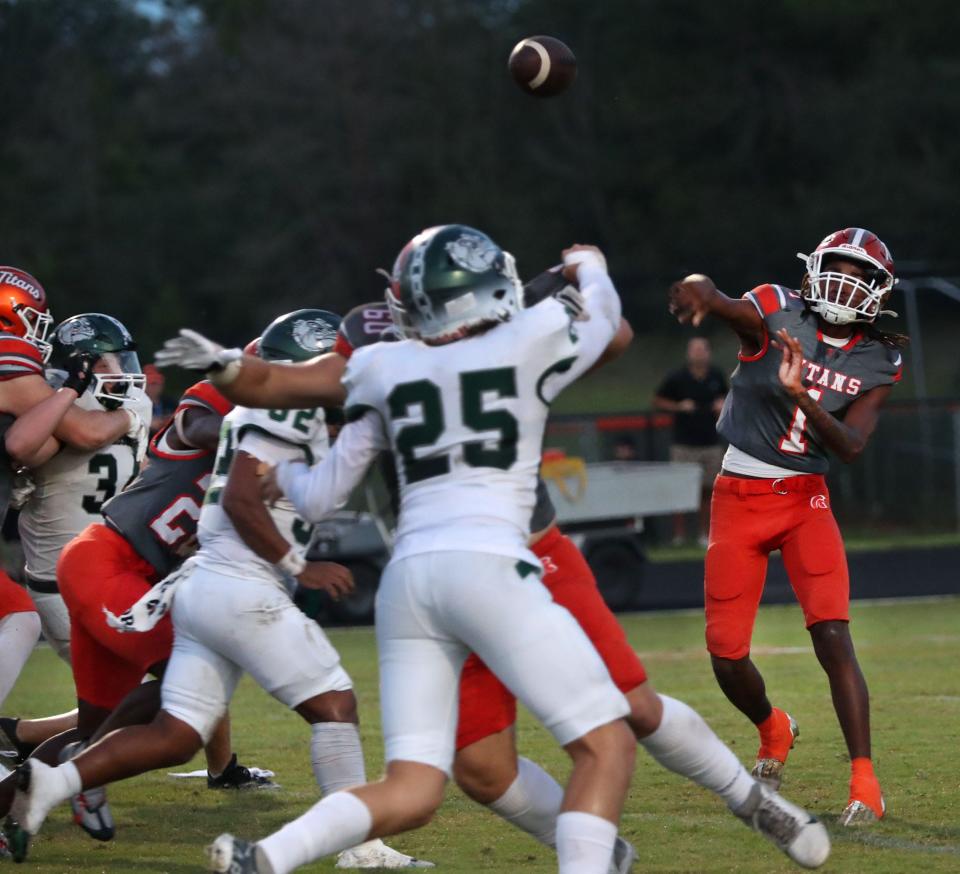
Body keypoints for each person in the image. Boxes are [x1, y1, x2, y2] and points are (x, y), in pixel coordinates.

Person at [332, 294, 830, 872]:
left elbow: (613, 334)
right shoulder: (376, 369)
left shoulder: (488, 351)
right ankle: (602, 853)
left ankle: (752, 802)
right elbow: (288, 389)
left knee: (630, 709)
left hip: (529, 556)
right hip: (443, 582)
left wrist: (554, 302)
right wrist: (239, 377)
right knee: (481, 767)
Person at [4, 310, 433, 870]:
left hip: (155, 575)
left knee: (159, 732)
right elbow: (208, 432)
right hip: (122, 564)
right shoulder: (241, 413)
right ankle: (359, 845)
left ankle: (45, 783)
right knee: (300, 704)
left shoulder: (301, 425)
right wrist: (298, 558)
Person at [668, 227, 905, 827]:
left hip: (805, 500)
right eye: (839, 269)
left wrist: (802, 397)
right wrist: (700, 291)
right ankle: (774, 727)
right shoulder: (776, 309)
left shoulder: (879, 357)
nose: (846, 285)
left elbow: (850, 445)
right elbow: (726, 304)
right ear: (815, 268)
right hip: (738, 495)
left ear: (878, 292)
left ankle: (865, 782)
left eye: (860, 276)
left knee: (833, 635)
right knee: (726, 656)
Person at [14, 314, 151, 665]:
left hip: (114, 570)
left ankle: (24, 725)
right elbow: (87, 433)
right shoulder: (56, 405)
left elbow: (100, 435)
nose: (120, 371)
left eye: (122, 360)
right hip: (60, 581)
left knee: (128, 689)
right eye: (106, 362)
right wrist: (127, 417)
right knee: (136, 683)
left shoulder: (132, 402)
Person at [653, 337, 727, 546]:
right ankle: (679, 535)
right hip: (684, 443)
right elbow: (658, 400)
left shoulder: (716, 375)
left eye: (702, 349)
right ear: (688, 353)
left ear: (708, 352)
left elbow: (729, 398)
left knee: (707, 490)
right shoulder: (677, 377)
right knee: (681, 489)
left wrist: (722, 405)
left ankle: (705, 534)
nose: (698, 353)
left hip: (710, 442)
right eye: (694, 349)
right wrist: (678, 406)